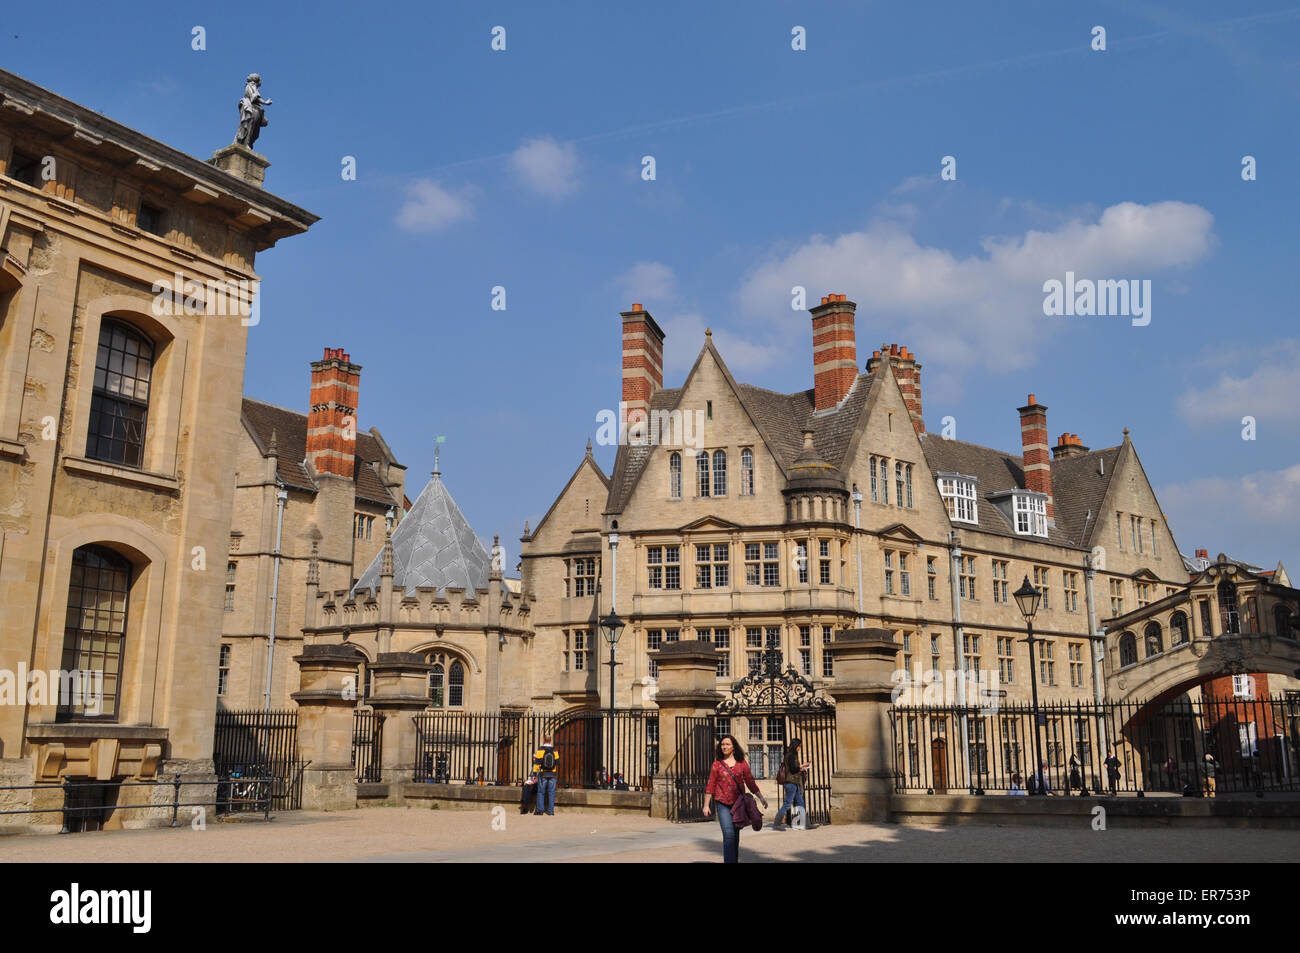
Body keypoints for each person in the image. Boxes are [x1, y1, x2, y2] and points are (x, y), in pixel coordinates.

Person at [703, 734, 768, 863]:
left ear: (733, 747)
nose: (724, 747)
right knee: (728, 834)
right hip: (722, 803)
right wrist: (706, 805)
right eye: (722, 744)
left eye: (727, 744)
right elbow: (711, 784)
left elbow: (750, 782)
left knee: (735, 835)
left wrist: (761, 798)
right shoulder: (716, 765)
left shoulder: (742, 763)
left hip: (738, 804)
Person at [773, 738, 812, 831]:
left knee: (800, 803)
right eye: (799, 746)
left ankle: (806, 824)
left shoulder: (792, 755)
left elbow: (793, 769)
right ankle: (776, 824)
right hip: (791, 783)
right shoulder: (791, 756)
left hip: (795, 782)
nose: (800, 748)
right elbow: (793, 769)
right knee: (787, 804)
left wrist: (801, 768)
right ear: (796, 746)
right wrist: (803, 766)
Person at [531, 733, 560, 815]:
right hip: (553, 774)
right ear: (550, 740)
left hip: (543, 774)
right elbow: (558, 762)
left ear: (544, 740)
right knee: (551, 792)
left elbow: (536, 763)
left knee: (541, 792)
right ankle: (551, 811)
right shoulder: (554, 750)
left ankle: (540, 811)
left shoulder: (540, 749)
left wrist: (534, 774)